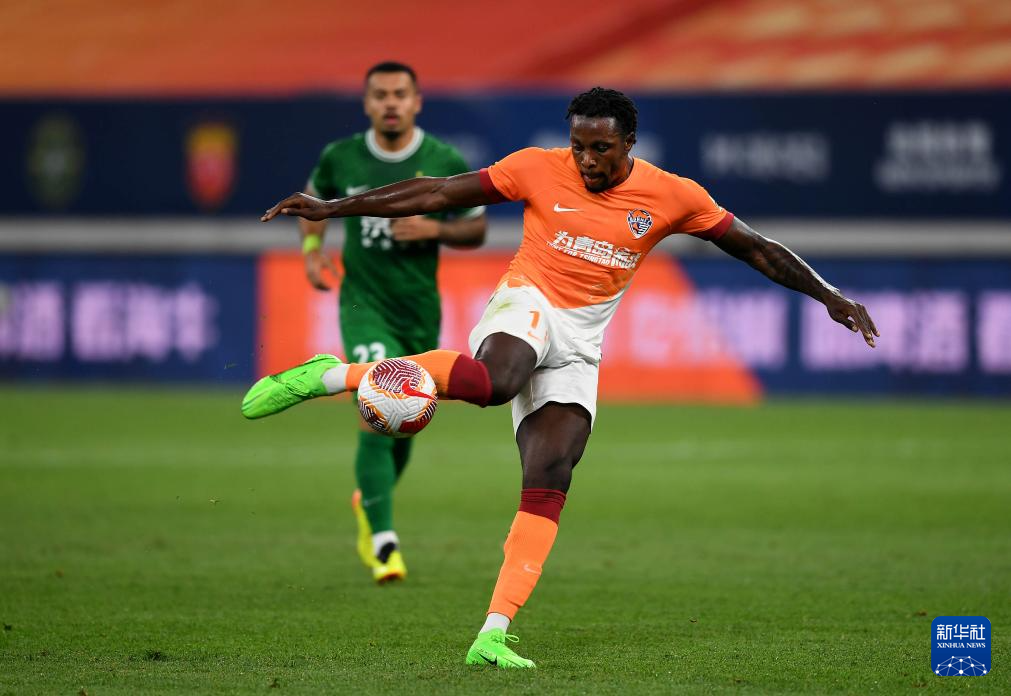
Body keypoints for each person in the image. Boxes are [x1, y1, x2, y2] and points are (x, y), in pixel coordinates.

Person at [245, 87, 878, 668]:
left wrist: (828, 294)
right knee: (496, 382)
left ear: (629, 143)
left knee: (550, 474)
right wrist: (334, 208)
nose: (586, 160)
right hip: (527, 302)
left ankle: (493, 632)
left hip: (581, 341)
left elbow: (755, 247)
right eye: (578, 146)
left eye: (600, 149)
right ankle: (335, 374)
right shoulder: (535, 167)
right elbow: (437, 193)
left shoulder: (673, 195)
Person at [291, 61, 487, 584]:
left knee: (406, 420)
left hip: (418, 309)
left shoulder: (443, 160)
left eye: (400, 94)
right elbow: (313, 206)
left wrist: (433, 230)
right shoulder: (340, 157)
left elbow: (477, 230)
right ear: (367, 103)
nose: (391, 103)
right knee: (375, 400)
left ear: (417, 101)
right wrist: (312, 251)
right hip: (364, 306)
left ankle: (369, 500)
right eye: (381, 95)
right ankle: (384, 543)